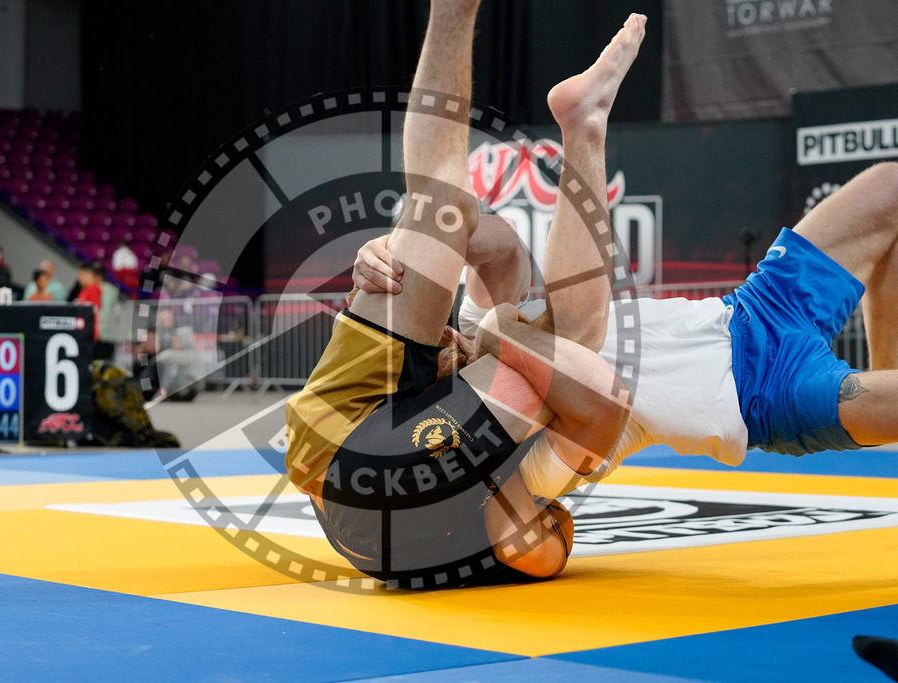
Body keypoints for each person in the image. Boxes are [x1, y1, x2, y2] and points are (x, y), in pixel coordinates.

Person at [285, 2, 644, 588]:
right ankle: (578, 121)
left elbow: (599, 400)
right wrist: (404, 245)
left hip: (350, 472)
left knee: (558, 352)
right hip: (357, 470)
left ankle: (576, 119)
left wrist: (491, 339)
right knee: (449, 213)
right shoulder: (529, 431)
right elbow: (499, 249)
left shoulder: (522, 437)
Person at [354, 161, 898, 499]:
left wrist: (399, 255)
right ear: (436, 399)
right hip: (767, 398)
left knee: (890, 189)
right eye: (430, 359)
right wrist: (500, 329)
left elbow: (489, 237)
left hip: (750, 310)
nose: (440, 338)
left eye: (428, 341)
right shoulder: (521, 454)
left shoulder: (473, 327)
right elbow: (598, 394)